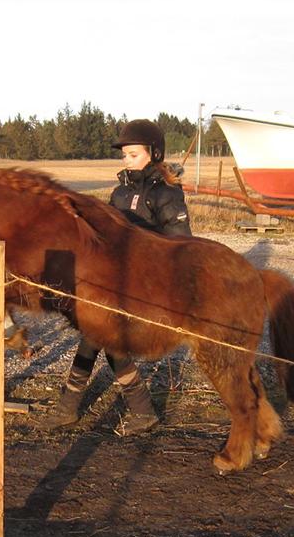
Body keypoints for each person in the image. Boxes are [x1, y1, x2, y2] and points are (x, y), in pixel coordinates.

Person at [41, 118, 192, 434]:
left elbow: (180, 248)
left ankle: (73, 405)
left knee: (97, 332)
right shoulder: (119, 193)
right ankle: (136, 409)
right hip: (114, 285)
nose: (127, 160)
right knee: (97, 332)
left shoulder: (167, 195)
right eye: (124, 155)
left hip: (148, 288)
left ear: (154, 154)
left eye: (133, 154)